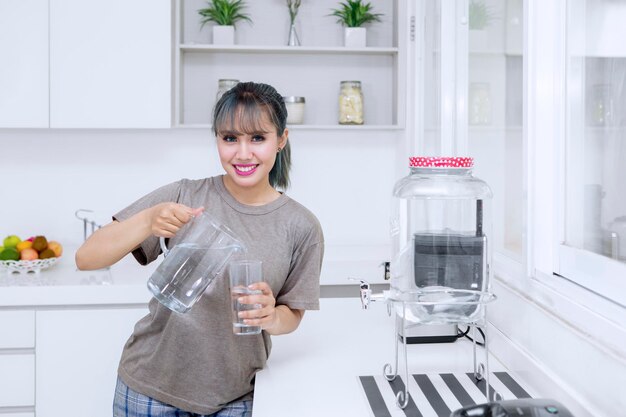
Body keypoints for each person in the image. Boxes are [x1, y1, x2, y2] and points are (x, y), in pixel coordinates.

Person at [75, 81, 324, 417]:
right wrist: (148, 220)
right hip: (149, 393)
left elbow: (292, 315)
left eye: (258, 138)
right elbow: (86, 257)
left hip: (237, 400)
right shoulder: (185, 195)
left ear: (281, 139)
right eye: (230, 138)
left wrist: (270, 316)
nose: (243, 153)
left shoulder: (302, 227)